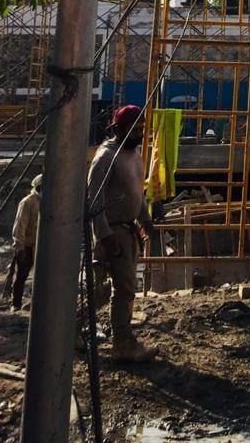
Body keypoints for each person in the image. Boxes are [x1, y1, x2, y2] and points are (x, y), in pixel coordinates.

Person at [87, 104, 154, 361]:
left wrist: (145, 218)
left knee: (122, 288)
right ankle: (122, 343)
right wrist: (105, 237)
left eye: (141, 128)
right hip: (114, 232)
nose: (138, 133)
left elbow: (138, 191)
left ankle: (82, 331)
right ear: (118, 128)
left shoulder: (135, 153)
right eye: (133, 128)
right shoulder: (106, 158)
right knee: (118, 289)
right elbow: (94, 202)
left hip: (129, 229)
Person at [4, 174, 42, 311]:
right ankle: (16, 303)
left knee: (41, 277)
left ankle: (36, 304)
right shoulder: (28, 202)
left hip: (40, 246)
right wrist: (19, 245)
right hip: (26, 246)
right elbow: (20, 224)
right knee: (21, 276)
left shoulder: (46, 202)